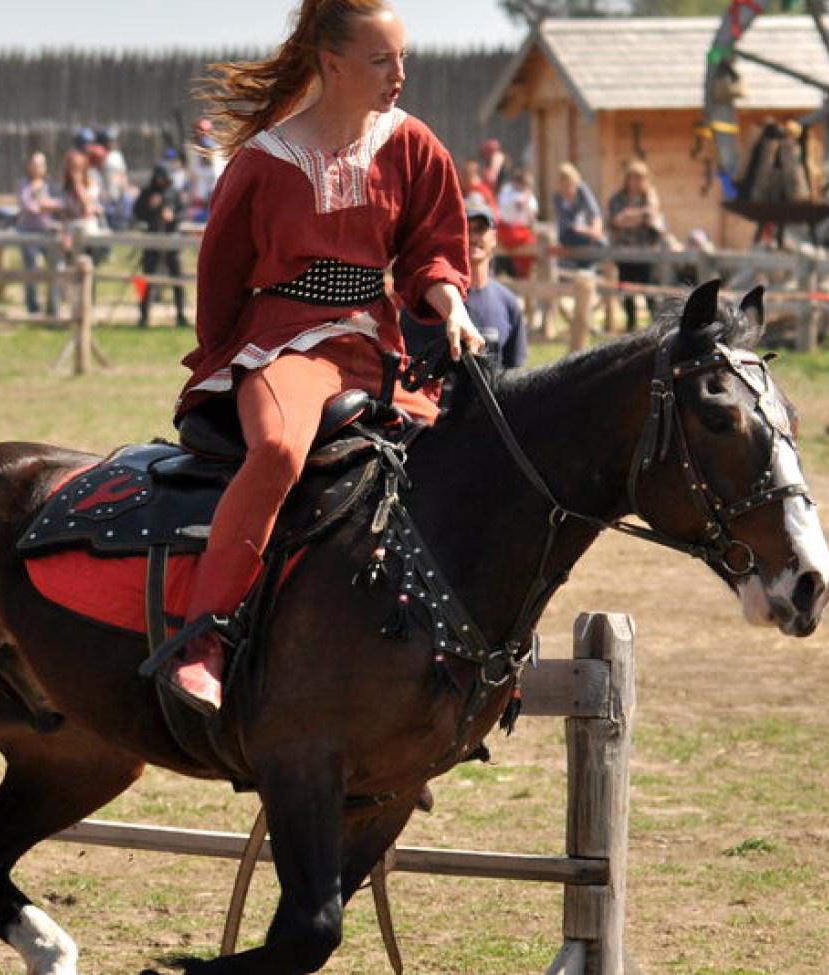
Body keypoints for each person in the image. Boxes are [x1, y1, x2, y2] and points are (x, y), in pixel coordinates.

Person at [160, 0, 481, 713]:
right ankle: (203, 637)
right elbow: (219, 279)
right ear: (332, 65)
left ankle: (440, 665)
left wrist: (453, 306)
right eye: (380, 60)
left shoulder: (412, 143)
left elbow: (431, 252)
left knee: (461, 468)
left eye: (401, 58)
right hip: (283, 345)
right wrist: (226, 365)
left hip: (377, 345)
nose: (399, 74)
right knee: (276, 449)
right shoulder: (264, 159)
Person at [402, 203, 525, 371]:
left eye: (480, 229)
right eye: (465, 229)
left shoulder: (508, 303)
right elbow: (409, 369)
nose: (472, 237)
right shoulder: (427, 300)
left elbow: (514, 373)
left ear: (494, 237)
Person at [606, 159, 666, 331]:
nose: (635, 181)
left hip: (646, 252)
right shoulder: (618, 198)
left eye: (639, 178)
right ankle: (630, 325)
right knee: (626, 290)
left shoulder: (649, 196)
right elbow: (614, 220)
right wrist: (636, 218)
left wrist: (628, 215)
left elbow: (652, 217)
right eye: (632, 177)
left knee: (650, 291)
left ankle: (656, 327)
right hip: (625, 252)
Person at [132, 163, 188, 328]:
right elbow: (137, 212)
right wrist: (150, 207)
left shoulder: (174, 193)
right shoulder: (147, 192)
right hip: (153, 240)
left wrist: (173, 217)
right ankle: (144, 315)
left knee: (177, 278)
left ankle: (180, 314)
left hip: (171, 240)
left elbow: (183, 212)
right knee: (147, 279)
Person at [15, 151, 63, 315]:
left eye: (40, 164)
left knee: (56, 267)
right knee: (31, 269)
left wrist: (44, 204)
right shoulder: (23, 184)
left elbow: (61, 203)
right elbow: (28, 205)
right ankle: (32, 305)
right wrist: (45, 205)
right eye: (33, 164)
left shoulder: (50, 184)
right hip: (27, 231)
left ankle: (53, 305)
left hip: (48, 231)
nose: (36, 168)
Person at [552, 161, 605, 270]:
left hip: (584, 232)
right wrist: (587, 230)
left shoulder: (582, 190)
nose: (568, 189)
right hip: (568, 234)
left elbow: (594, 211)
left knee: (602, 243)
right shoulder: (557, 198)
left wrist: (596, 228)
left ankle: (586, 269)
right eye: (565, 185)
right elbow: (567, 223)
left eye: (571, 184)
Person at [495, 164, 538, 278]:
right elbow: (505, 207)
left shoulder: (528, 195)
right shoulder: (507, 191)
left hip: (523, 232)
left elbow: (532, 214)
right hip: (507, 230)